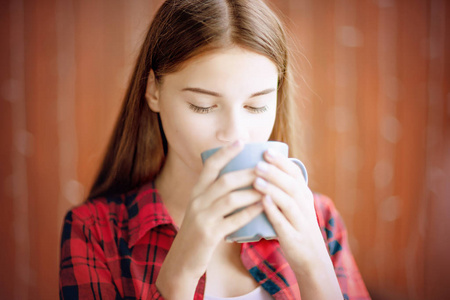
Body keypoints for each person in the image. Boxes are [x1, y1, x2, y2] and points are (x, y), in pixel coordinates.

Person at [59, 0, 370, 299]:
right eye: (203, 106)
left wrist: (316, 270)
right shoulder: (95, 233)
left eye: (256, 105)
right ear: (153, 90)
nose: (235, 134)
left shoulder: (320, 218)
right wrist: (177, 279)